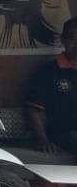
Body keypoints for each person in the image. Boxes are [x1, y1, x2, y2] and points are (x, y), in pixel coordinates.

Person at [25, 17, 77, 154]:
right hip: (66, 135)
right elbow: (33, 110)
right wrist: (43, 141)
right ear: (63, 40)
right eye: (72, 39)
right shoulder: (49, 71)